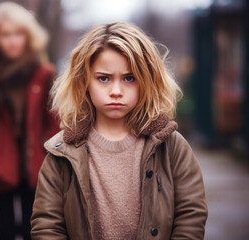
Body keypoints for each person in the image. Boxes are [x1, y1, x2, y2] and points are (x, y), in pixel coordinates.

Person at [31, 22, 208, 239]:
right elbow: (47, 226)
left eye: (129, 78)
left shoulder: (171, 145)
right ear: (84, 81)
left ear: (147, 80)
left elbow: (191, 215)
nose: (116, 91)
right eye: (103, 78)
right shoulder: (62, 152)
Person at [0, 2, 59, 240]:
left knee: (32, 231)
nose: (13, 40)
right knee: (4, 231)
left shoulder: (44, 73)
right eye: (6, 34)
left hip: (35, 167)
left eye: (18, 34)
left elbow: (55, 119)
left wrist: (46, 154)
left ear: (28, 36)